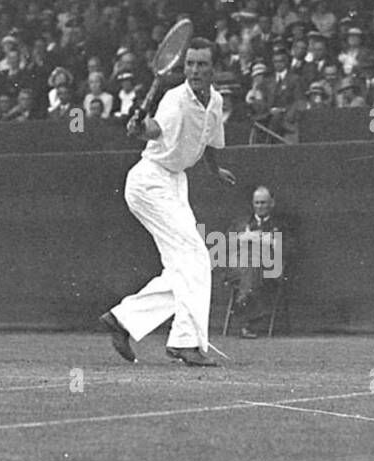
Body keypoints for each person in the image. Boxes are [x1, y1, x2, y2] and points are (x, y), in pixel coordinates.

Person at [99, 36, 236, 367]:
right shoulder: (175, 99)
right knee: (196, 259)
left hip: (175, 183)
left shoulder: (215, 102)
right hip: (150, 182)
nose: (194, 70)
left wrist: (215, 170)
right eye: (189, 63)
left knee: (184, 269)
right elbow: (155, 129)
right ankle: (185, 343)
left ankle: (123, 320)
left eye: (202, 64)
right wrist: (139, 127)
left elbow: (211, 142)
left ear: (214, 69)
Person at [227, 186, 289, 338]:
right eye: (257, 203)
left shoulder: (281, 225)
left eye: (263, 203)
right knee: (251, 263)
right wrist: (243, 238)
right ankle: (245, 308)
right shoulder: (241, 223)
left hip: (269, 272)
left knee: (254, 264)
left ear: (271, 203)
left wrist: (272, 241)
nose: (260, 206)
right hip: (240, 271)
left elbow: (291, 248)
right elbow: (224, 245)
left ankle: (242, 303)